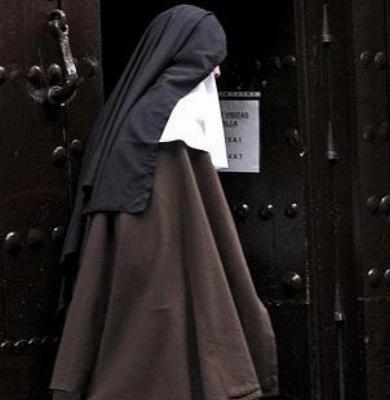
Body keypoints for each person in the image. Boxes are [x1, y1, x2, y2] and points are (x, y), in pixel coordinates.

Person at [51, 5, 278, 399]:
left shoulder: (135, 116)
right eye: (211, 62)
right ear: (189, 60)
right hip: (156, 286)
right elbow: (176, 235)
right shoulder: (165, 126)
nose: (218, 73)